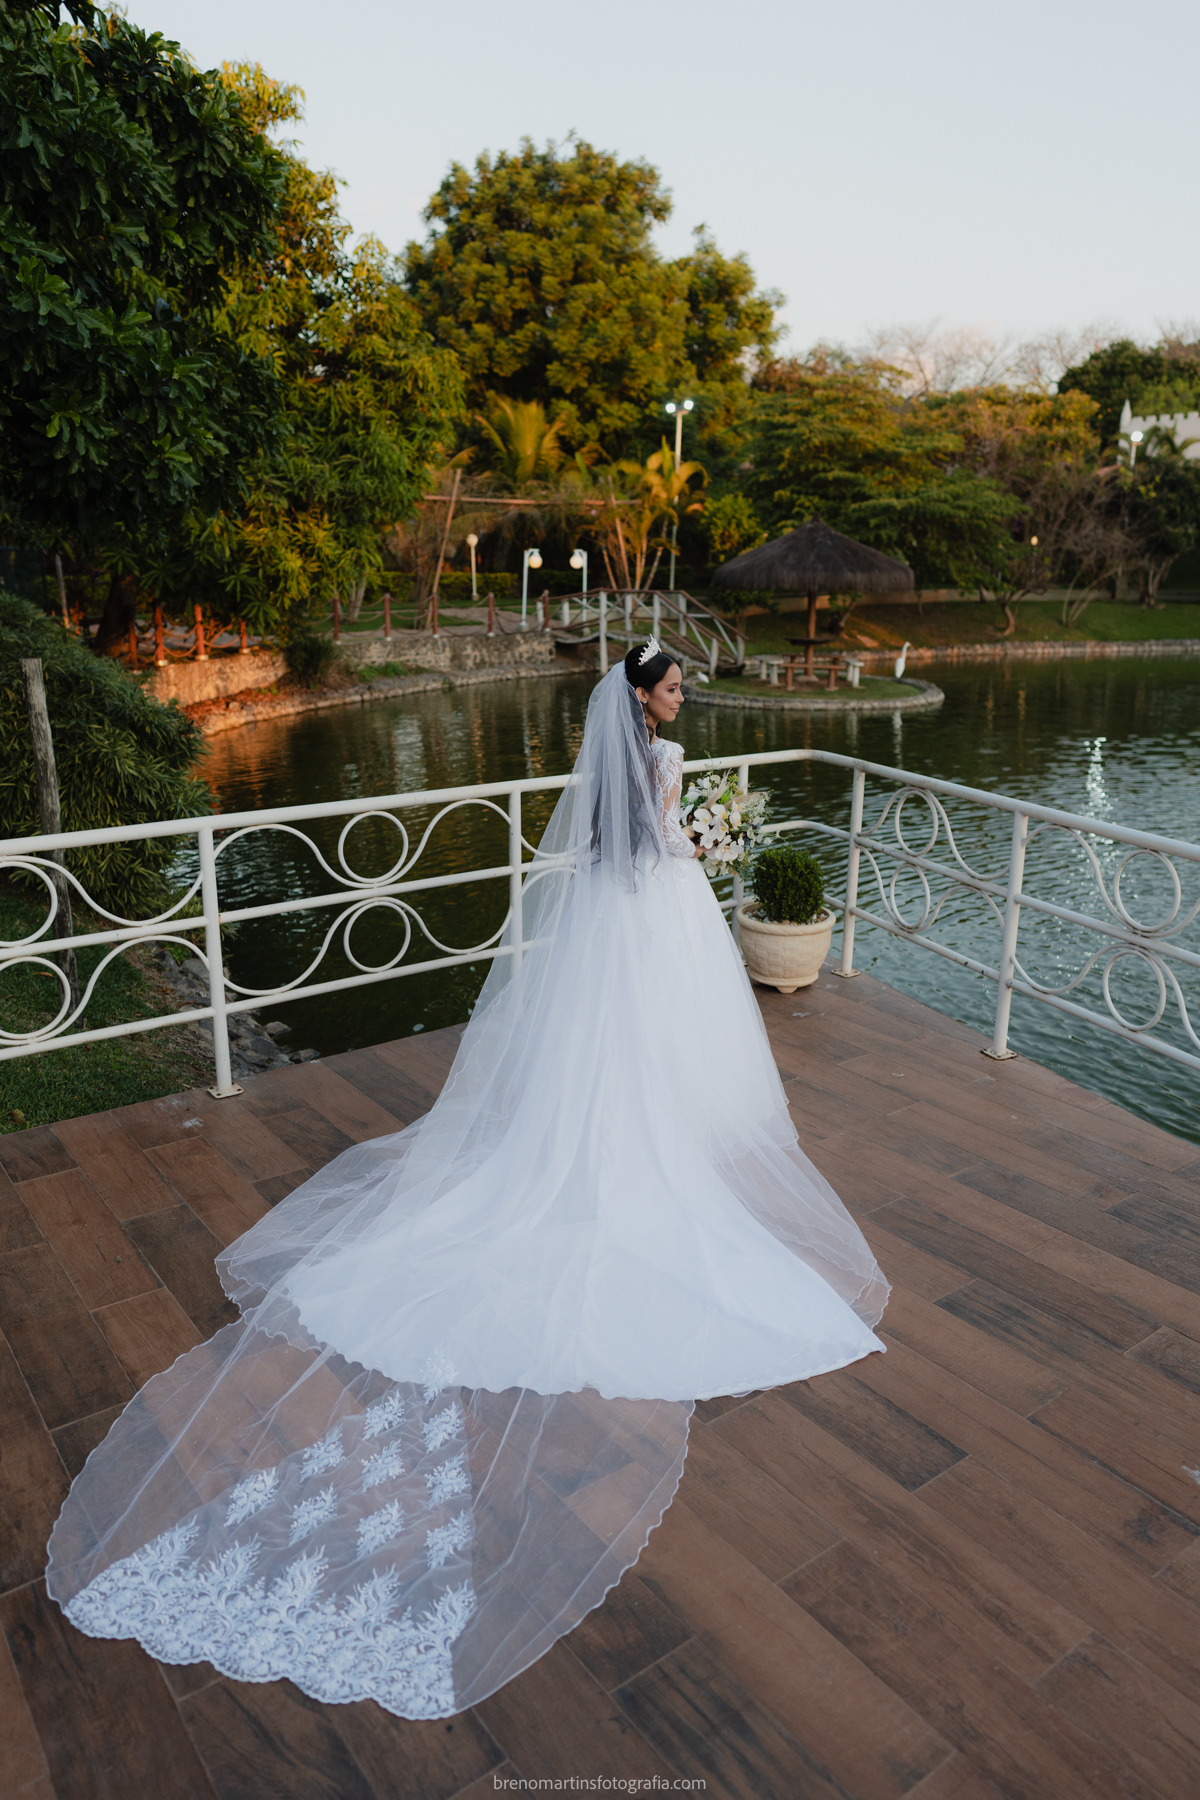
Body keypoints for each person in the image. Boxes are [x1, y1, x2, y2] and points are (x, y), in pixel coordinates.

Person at [47, 640, 887, 1721]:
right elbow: (666, 848)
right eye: (675, 687)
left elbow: (596, 848)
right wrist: (702, 855)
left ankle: (592, 1153)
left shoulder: (601, 764)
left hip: (601, 934)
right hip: (661, 926)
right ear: (647, 696)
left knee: (592, 1061)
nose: (683, 698)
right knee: (659, 1064)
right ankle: (643, 1159)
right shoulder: (664, 758)